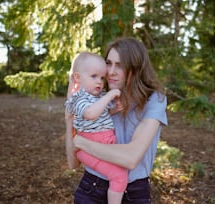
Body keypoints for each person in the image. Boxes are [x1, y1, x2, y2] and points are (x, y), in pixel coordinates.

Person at [65, 37, 168, 204]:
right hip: (92, 187)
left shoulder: (154, 100)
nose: (111, 71)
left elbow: (130, 158)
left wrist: (81, 143)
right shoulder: (97, 99)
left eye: (119, 65)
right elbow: (73, 162)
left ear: (135, 68)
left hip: (134, 193)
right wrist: (69, 119)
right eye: (109, 63)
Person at [64, 51, 128, 204]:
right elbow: (90, 113)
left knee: (121, 170)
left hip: (102, 144)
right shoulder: (78, 98)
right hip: (87, 148)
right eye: (94, 76)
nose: (99, 81)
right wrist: (109, 96)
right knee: (119, 176)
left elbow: (100, 113)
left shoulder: (95, 96)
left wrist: (114, 110)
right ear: (78, 78)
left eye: (101, 77)